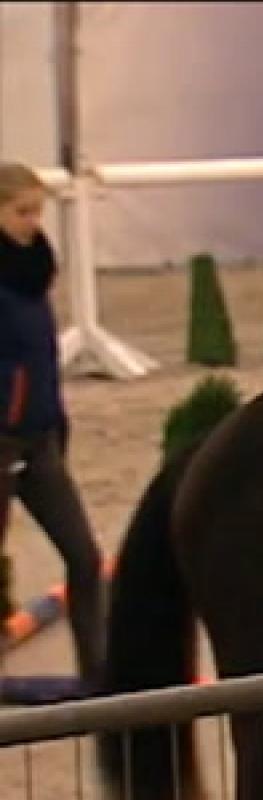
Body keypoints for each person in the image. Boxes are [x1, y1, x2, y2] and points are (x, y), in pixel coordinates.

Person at [0, 162, 106, 689]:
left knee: (84, 558)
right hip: (2, 442)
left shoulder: (33, 272)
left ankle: (100, 677)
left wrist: (54, 426)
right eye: (22, 212)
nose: (33, 222)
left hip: (39, 441)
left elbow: (40, 360)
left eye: (37, 211)